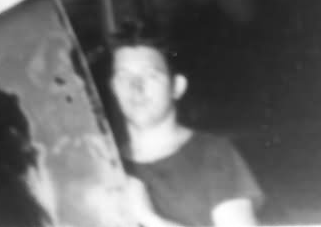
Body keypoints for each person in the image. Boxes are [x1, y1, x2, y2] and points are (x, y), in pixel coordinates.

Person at [108, 33, 263, 227]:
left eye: (151, 76)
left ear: (177, 87)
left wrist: (147, 217)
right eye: (124, 77)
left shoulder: (213, 153)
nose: (136, 88)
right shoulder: (104, 164)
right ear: (113, 87)